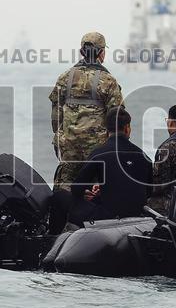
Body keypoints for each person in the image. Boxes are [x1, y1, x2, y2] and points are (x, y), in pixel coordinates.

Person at [49, 32, 124, 190]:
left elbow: (56, 116)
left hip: (68, 147)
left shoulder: (64, 77)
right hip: (97, 150)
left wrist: (61, 137)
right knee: (97, 188)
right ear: (101, 52)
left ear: (82, 51)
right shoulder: (108, 80)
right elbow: (117, 118)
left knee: (65, 187)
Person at [62, 107, 152, 226]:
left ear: (106, 130)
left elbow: (77, 189)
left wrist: (90, 191)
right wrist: (106, 189)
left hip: (108, 217)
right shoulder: (143, 156)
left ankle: (53, 235)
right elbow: (149, 191)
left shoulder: (98, 154)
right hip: (138, 214)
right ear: (127, 128)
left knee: (60, 198)